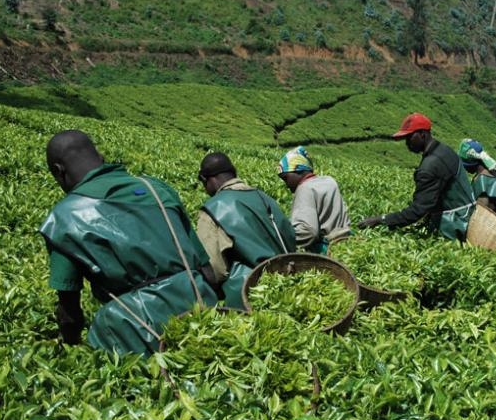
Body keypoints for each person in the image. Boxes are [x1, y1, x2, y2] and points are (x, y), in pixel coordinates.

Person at [39, 130, 218, 356]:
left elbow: (69, 313)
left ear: (58, 171)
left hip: (135, 330)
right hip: (201, 308)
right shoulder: (156, 188)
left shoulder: (63, 218)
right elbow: (207, 270)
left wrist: (69, 351)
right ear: (101, 157)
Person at [196, 152, 296, 309]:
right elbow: (290, 237)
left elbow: (215, 270)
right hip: (287, 288)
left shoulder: (212, 209)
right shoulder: (265, 198)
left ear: (206, 179)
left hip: (245, 297)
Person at [357, 112, 476, 241]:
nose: (407, 143)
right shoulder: (445, 149)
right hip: (468, 216)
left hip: (454, 226)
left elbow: (418, 210)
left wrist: (381, 219)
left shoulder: (430, 167)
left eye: (409, 137)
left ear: (422, 134)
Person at [277, 145, 351, 253]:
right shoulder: (329, 181)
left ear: (298, 170)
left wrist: (281, 241)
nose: (286, 184)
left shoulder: (305, 188)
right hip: (344, 245)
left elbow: (308, 232)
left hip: (324, 251)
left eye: (285, 178)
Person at [458, 138, 496, 225]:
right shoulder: (493, 172)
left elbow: (482, 216)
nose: (465, 169)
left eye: (465, 165)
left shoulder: (482, 182)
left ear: (471, 162)